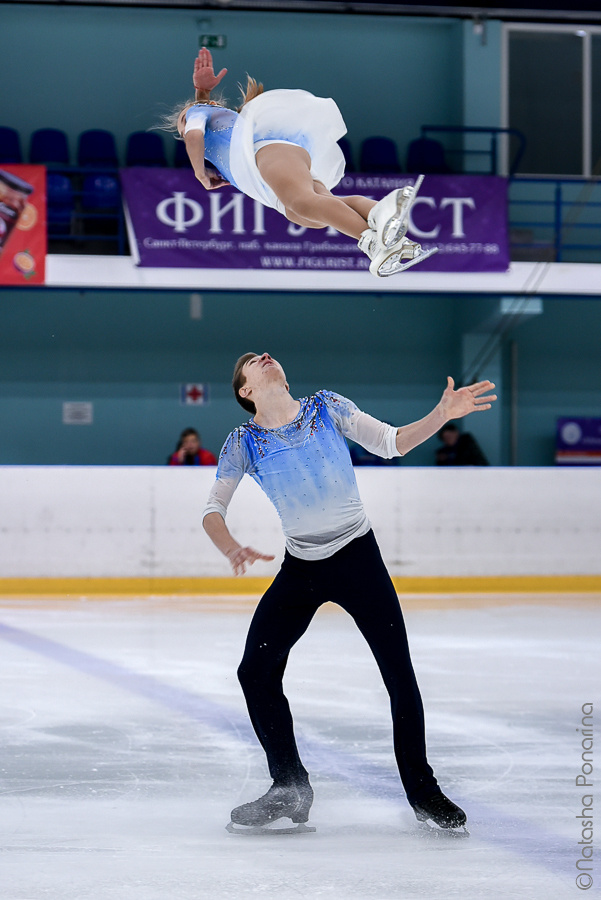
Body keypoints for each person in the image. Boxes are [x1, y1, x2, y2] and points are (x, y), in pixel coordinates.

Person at [202, 351, 497, 835]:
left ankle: (423, 793)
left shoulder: (326, 407)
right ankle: (289, 786)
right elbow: (212, 509)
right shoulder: (243, 442)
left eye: (269, 355)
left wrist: (441, 415)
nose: (267, 357)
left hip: (358, 558)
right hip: (301, 568)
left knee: (399, 674)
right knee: (254, 670)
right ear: (245, 390)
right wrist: (230, 546)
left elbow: (391, 442)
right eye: (254, 361)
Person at [167, 48, 438, 278]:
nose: (183, 125)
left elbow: (193, 136)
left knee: (303, 203)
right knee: (311, 215)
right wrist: (202, 92)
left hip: (269, 153)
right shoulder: (211, 113)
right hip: (272, 172)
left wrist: (200, 173)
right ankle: (389, 227)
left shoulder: (196, 114)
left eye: (180, 122)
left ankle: (372, 243)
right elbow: (199, 128)